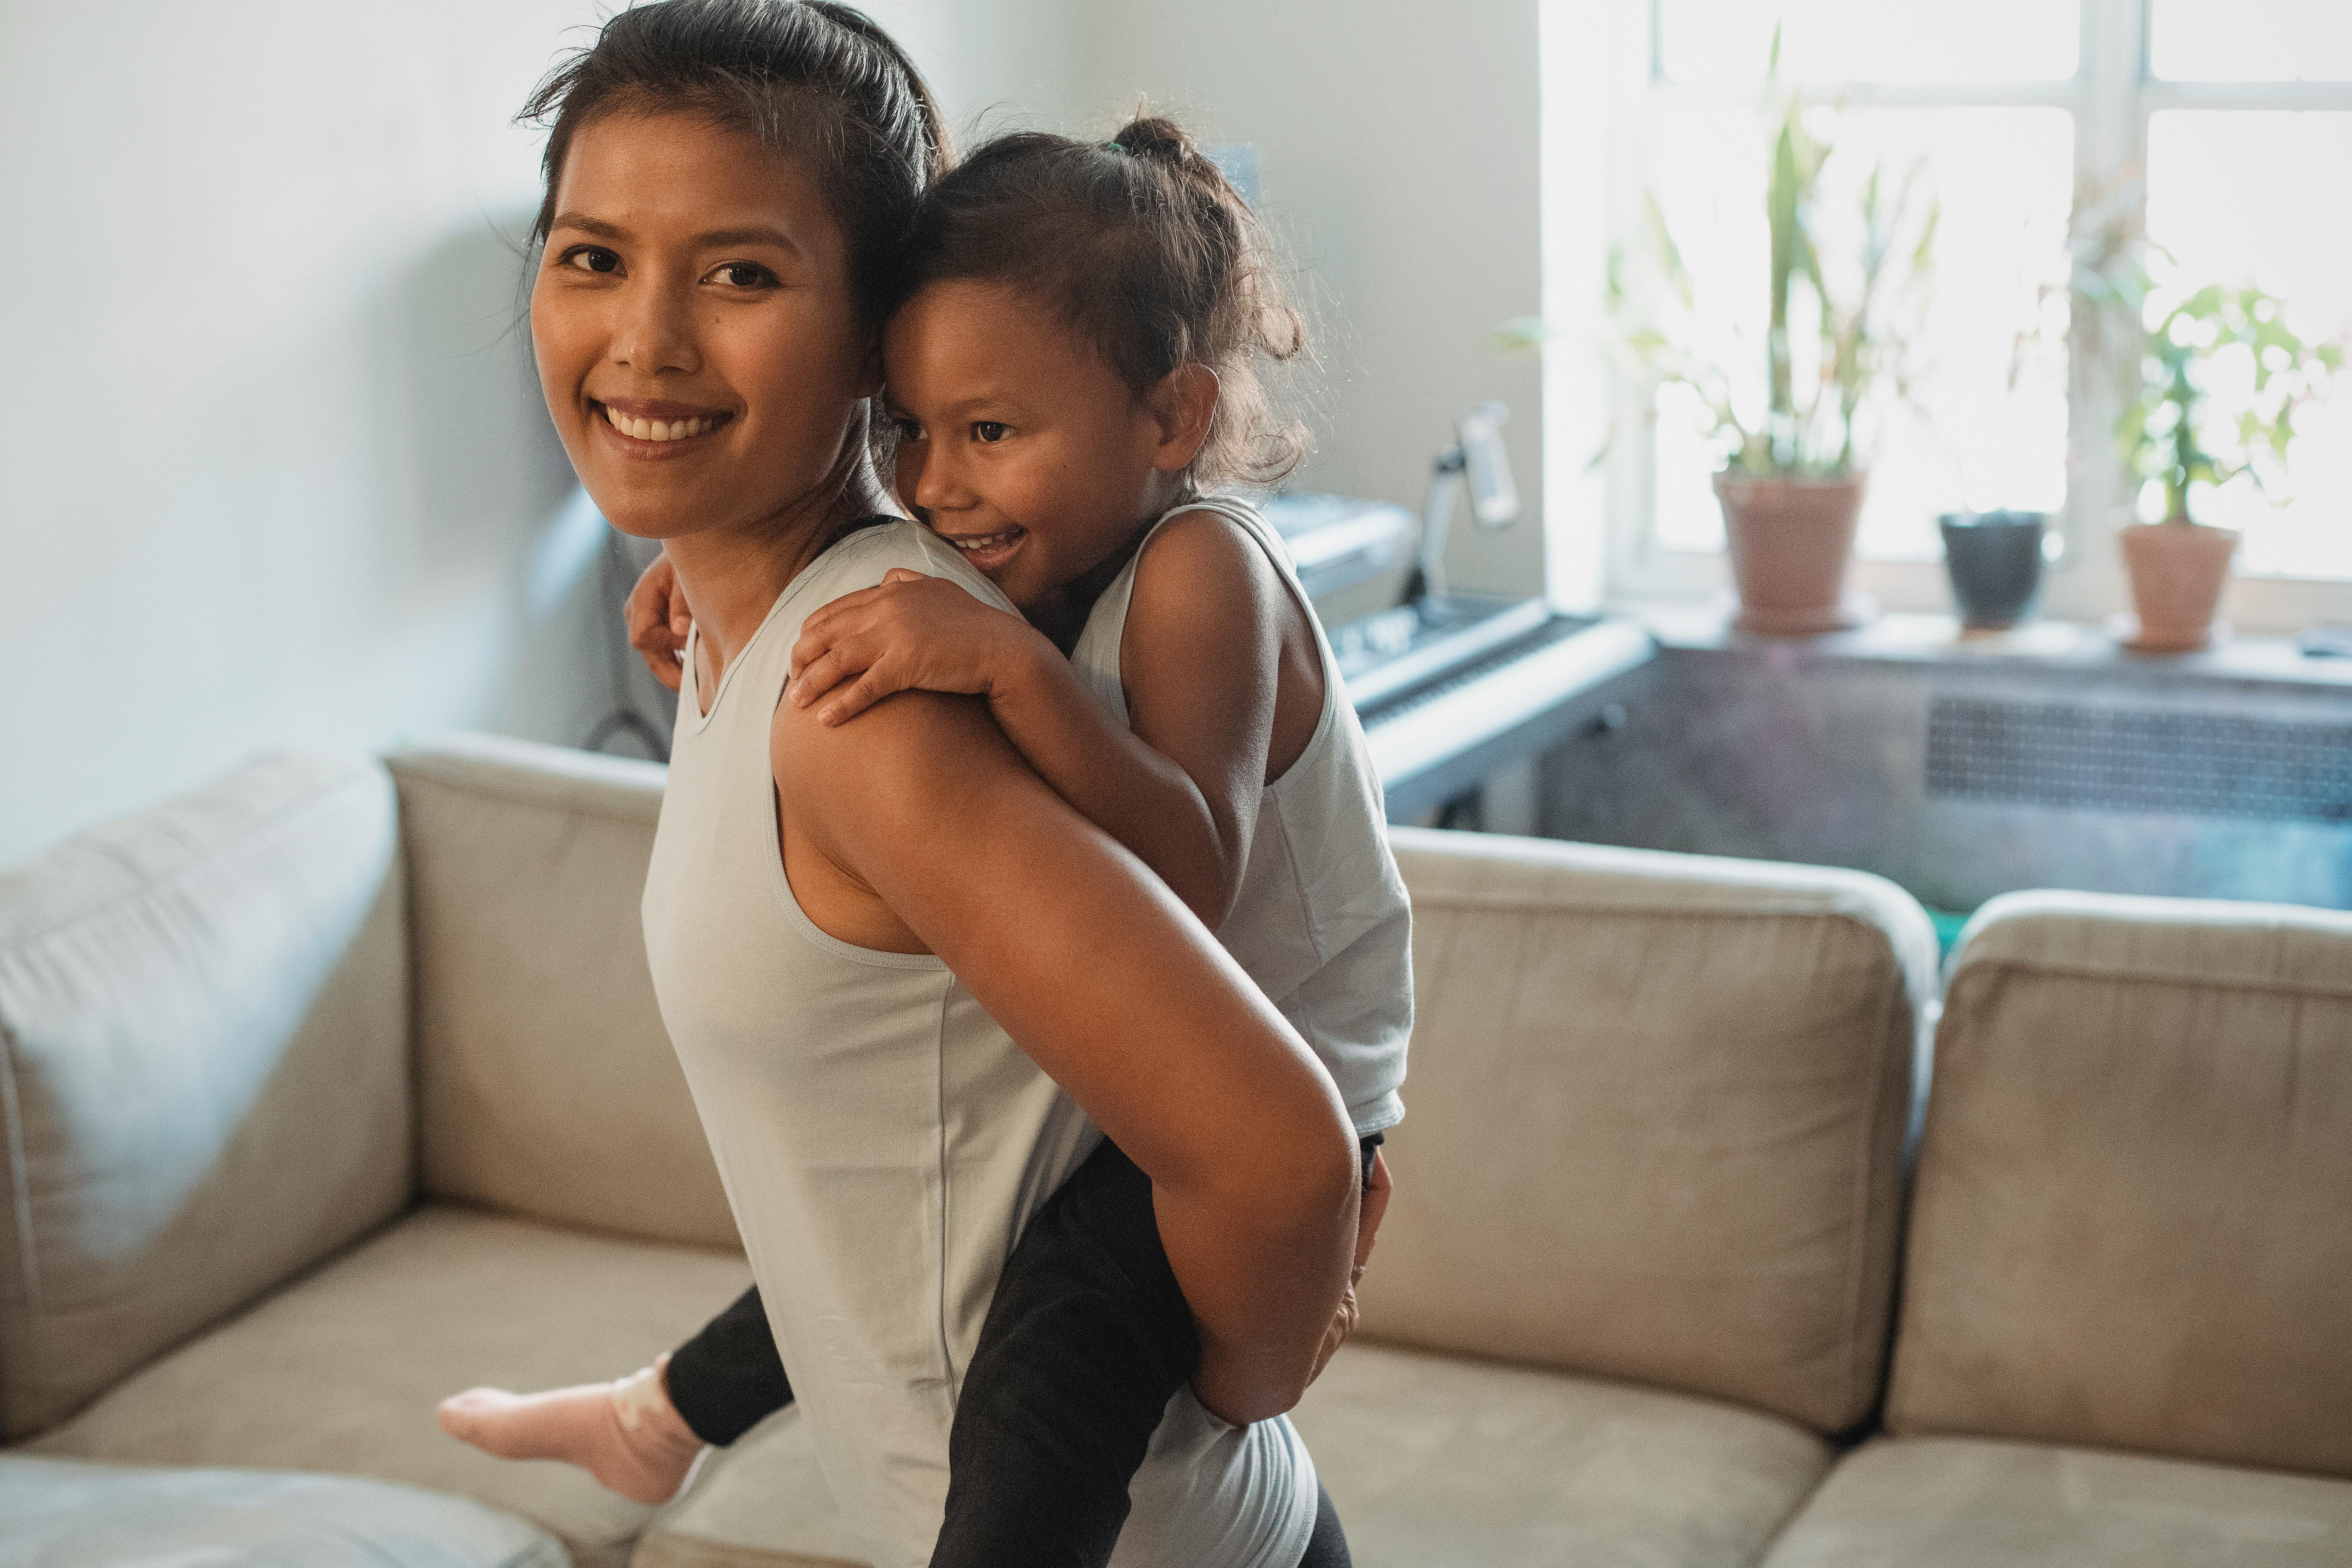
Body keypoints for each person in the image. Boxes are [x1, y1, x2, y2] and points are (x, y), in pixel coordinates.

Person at [432, 5, 1368, 1568]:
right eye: (591, 255)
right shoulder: (750, 630)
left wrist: (1241, 1382)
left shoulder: (872, 697)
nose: (649, 338)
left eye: (740, 273)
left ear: (874, 335)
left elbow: (1283, 1155)